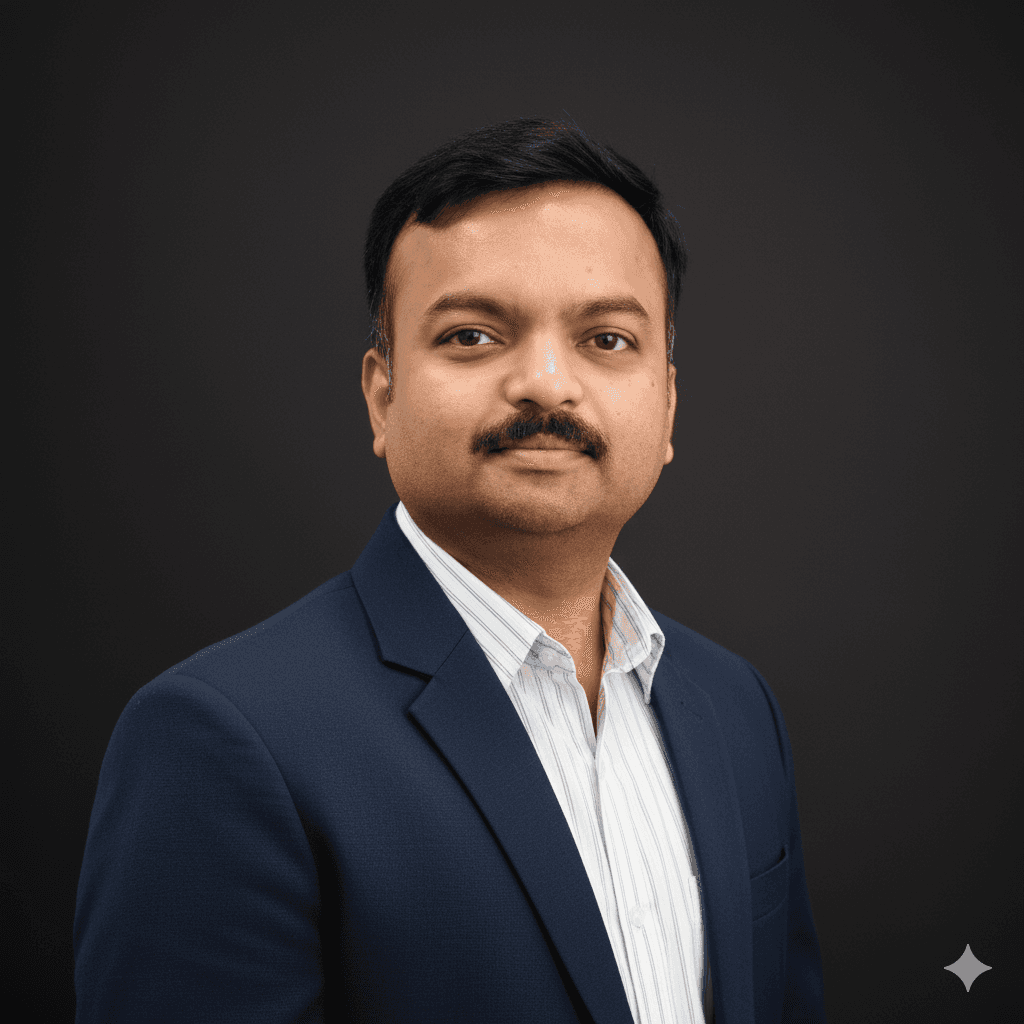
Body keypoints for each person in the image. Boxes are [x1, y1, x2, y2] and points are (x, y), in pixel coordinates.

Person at [74, 117, 826, 1023]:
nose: (548, 383)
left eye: (608, 340)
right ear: (380, 395)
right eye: (473, 336)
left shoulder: (736, 707)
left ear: (667, 404)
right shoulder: (220, 742)